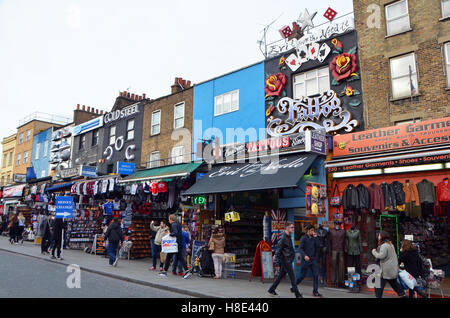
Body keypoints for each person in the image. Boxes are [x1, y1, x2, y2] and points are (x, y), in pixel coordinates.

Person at [268, 222, 303, 298]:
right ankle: (297, 294)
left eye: (293, 227)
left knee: (280, 276)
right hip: (285, 260)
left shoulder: (288, 236)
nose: (293, 229)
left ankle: (271, 289)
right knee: (293, 277)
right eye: (291, 227)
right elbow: (278, 251)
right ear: (287, 228)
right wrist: (276, 263)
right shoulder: (283, 237)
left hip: (288, 259)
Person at [372, 231, 407, 298]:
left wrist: (374, 251)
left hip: (385, 270)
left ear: (382, 236)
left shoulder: (384, 245)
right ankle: (403, 295)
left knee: (378, 286)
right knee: (394, 284)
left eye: (379, 235)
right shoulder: (390, 244)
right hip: (391, 269)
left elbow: (381, 256)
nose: (378, 237)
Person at [295, 224, 322, 297]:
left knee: (316, 275)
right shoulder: (303, 238)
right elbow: (300, 249)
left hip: (313, 259)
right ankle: (294, 286)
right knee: (302, 276)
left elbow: (318, 246)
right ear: (308, 231)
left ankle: (315, 291)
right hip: (306, 260)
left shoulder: (314, 238)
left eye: (314, 230)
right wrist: (304, 255)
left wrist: (316, 237)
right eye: (312, 230)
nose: (313, 232)